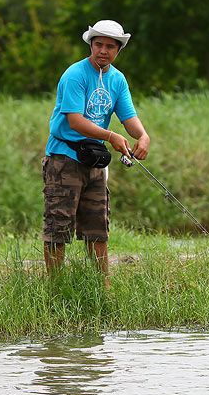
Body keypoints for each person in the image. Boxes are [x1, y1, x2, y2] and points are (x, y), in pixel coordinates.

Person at [42, 19, 150, 288]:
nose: (103, 50)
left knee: (97, 227)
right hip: (64, 158)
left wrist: (143, 136)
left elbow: (129, 117)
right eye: (98, 44)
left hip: (95, 161)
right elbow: (76, 121)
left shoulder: (117, 79)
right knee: (59, 226)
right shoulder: (75, 75)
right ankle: (57, 289)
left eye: (110, 46)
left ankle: (102, 289)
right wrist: (111, 136)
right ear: (91, 44)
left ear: (118, 50)